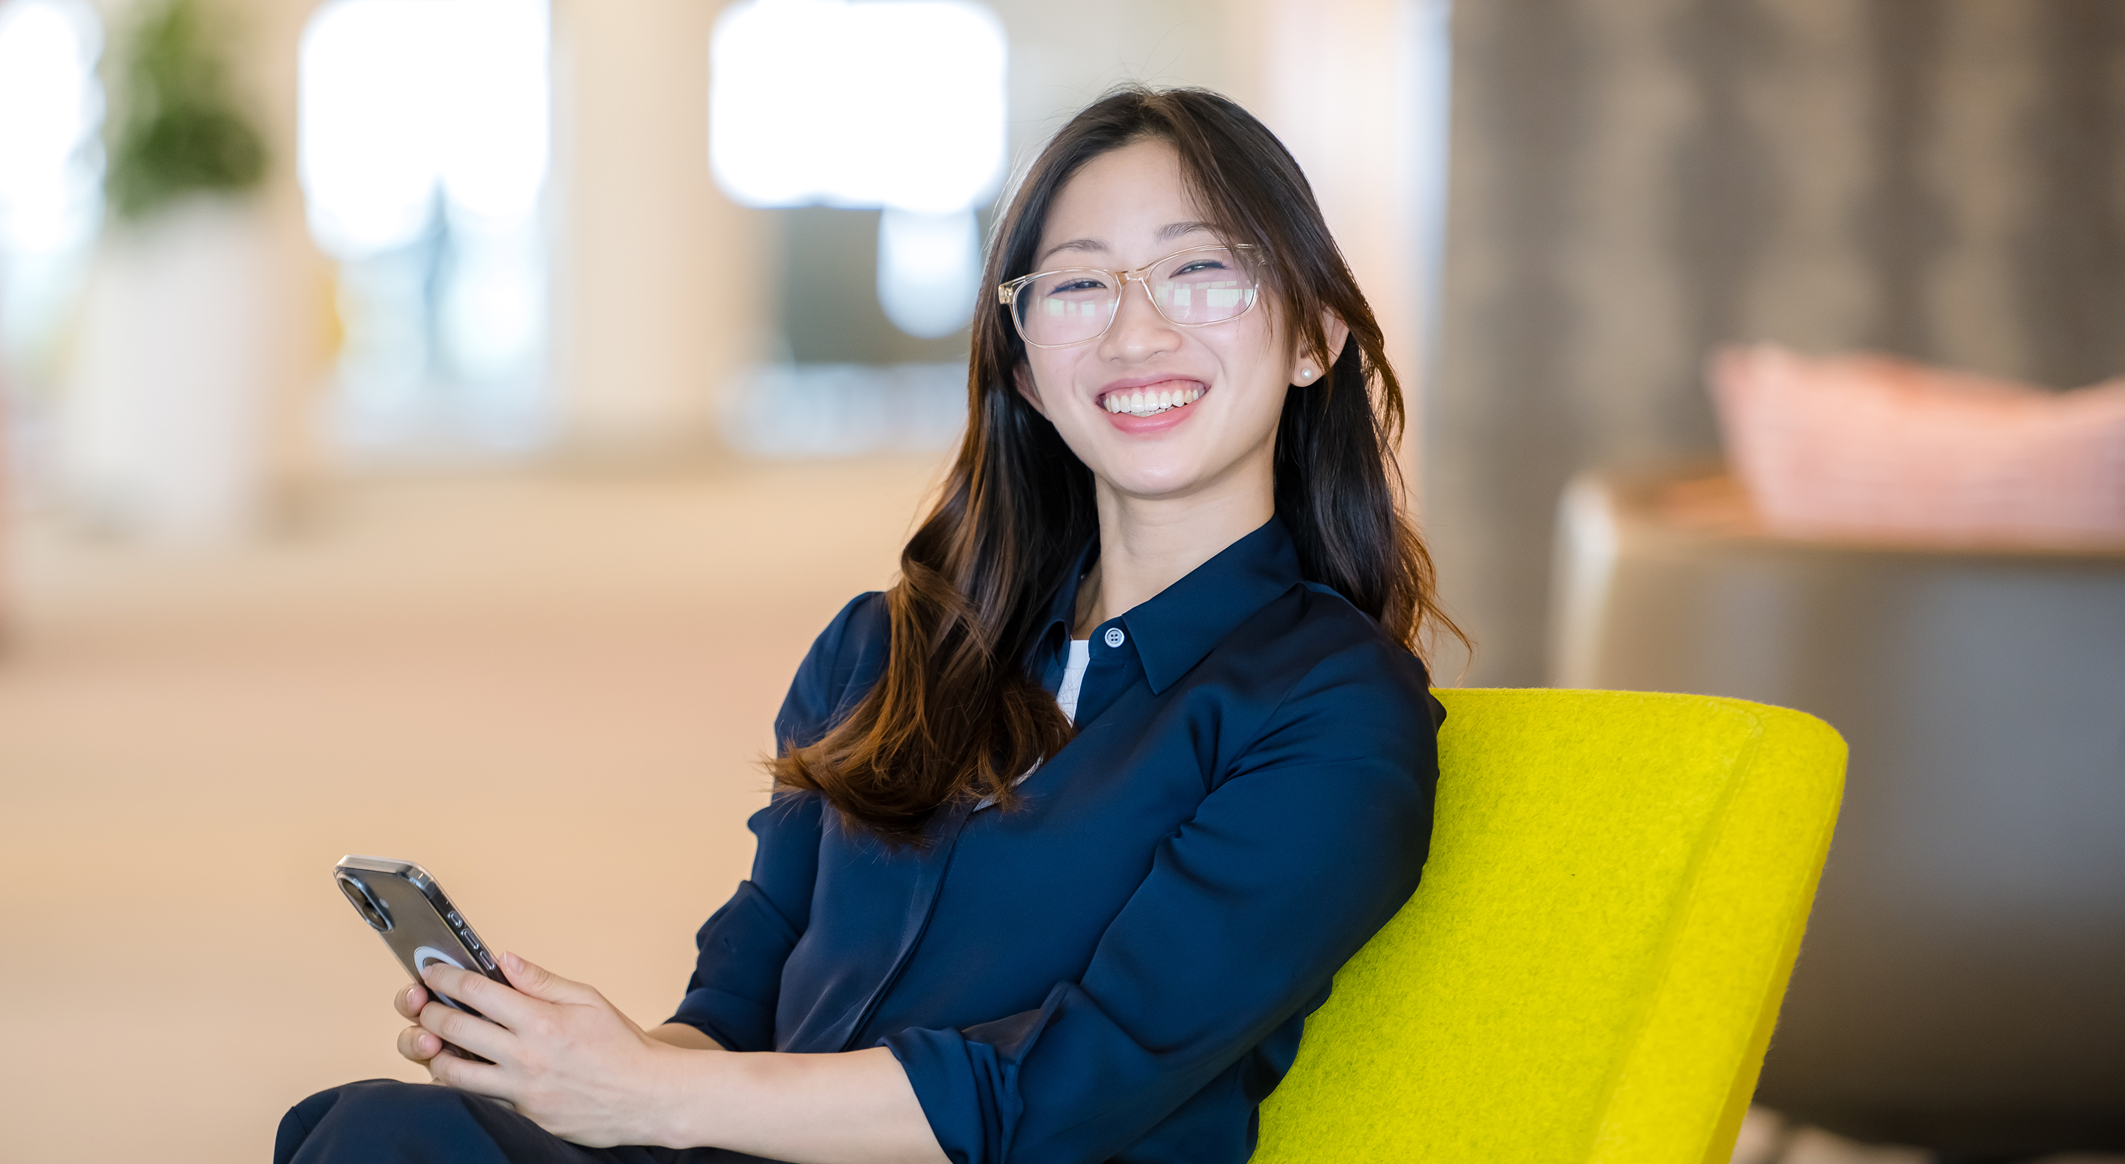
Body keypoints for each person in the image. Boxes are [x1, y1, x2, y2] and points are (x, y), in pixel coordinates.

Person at [277, 86, 1455, 1164]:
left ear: (1315, 336)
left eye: (1201, 273)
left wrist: (649, 1096)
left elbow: (1056, 1093)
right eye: (1082, 284)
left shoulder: (1334, 711)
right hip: (741, 1146)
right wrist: (576, 1063)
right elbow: (733, 1021)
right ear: (1030, 366)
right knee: (365, 1131)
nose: (1137, 334)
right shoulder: (885, 651)